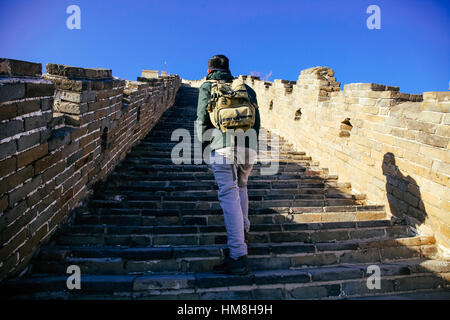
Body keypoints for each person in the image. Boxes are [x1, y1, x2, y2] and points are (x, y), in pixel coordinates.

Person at [195, 54, 260, 275]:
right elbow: (257, 121)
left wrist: (204, 148)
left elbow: (201, 120)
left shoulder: (208, 86)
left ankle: (238, 255)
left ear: (209, 70)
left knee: (228, 193)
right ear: (229, 69)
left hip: (223, 145)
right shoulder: (247, 88)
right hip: (249, 146)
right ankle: (243, 229)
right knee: (241, 187)